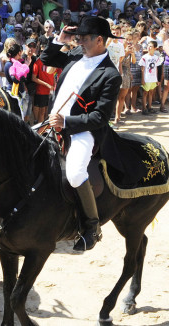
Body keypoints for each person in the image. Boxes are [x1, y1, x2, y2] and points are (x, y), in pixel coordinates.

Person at [41, 16, 122, 252]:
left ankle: (92, 226)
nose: (80, 43)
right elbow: (47, 58)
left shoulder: (110, 75)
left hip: (81, 131)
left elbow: (100, 118)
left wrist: (66, 122)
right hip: (51, 121)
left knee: (75, 173)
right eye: (78, 38)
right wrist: (61, 40)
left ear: (99, 40)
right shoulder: (76, 55)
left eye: (84, 39)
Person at [140, 40, 163, 115]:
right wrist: (143, 79)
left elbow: (156, 68)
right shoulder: (144, 57)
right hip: (147, 78)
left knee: (151, 93)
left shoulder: (156, 57)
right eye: (148, 46)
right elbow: (142, 69)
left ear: (155, 48)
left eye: (151, 46)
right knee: (145, 93)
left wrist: (157, 79)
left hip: (153, 78)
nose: (149, 48)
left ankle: (149, 107)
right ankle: (144, 108)